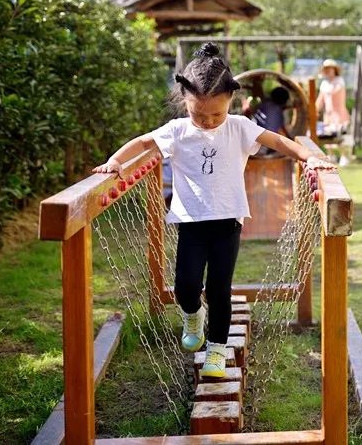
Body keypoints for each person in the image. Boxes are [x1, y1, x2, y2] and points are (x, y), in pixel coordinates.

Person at [92, 43, 331, 378]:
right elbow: (144, 143)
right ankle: (193, 316)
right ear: (184, 101)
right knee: (187, 287)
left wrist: (310, 157)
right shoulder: (177, 130)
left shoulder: (239, 127)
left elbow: (278, 141)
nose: (206, 122)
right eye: (198, 115)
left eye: (215, 115)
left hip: (228, 222)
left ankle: (217, 350)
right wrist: (114, 162)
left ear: (231, 100)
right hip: (190, 223)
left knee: (220, 289)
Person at [316, 59, 350, 135]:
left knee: (338, 137)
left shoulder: (339, 81)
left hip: (339, 116)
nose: (327, 70)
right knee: (328, 139)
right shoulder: (324, 83)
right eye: (326, 69)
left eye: (329, 68)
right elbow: (320, 100)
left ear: (334, 69)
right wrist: (314, 111)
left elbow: (334, 92)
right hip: (328, 116)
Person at [253, 86, 289, 156]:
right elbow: (282, 128)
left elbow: (255, 112)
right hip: (268, 143)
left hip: (257, 140)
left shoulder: (264, 104)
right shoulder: (279, 111)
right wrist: (290, 138)